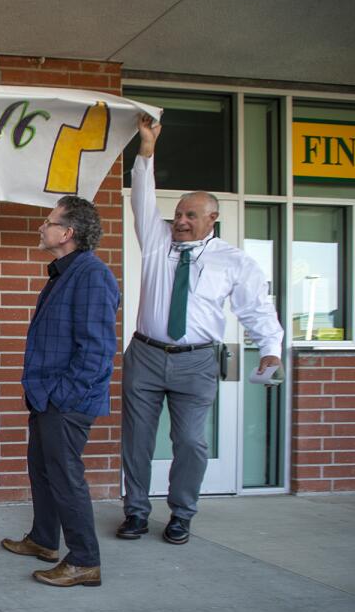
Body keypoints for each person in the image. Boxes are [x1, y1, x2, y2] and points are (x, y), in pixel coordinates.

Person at [119, 114, 283, 545]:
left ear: (213, 218)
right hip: (146, 355)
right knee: (136, 441)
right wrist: (147, 149)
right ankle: (135, 512)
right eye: (177, 214)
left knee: (191, 442)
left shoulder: (234, 261)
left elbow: (257, 309)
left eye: (191, 215)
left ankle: (181, 514)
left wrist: (270, 348)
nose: (180, 221)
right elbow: (141, 195)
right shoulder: (156, 241)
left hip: (196, 362)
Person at [1, 197, 119, 587]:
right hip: (47, 395)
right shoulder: (65, 273)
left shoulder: (91, 275)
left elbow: (97, 350)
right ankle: (43, 540)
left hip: (65, 400)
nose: (41, 227)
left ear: (67, 233)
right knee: (42, 469)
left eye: (48, 222)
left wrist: (62, 396)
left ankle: (85, 559)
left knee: (65, 477)